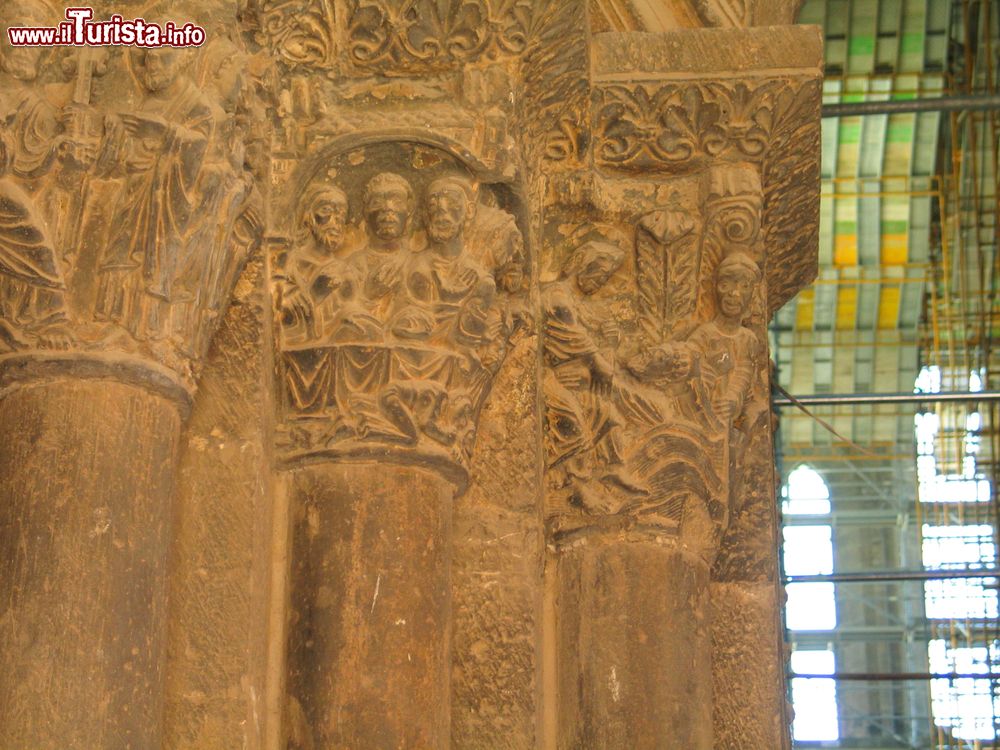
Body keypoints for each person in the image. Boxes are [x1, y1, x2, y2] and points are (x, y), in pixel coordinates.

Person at [95, 48, 213, 341]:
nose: (154, 64)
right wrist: (116, 132)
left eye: (163, 57)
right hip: (134, 188)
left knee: (151, 254)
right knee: (119, 251)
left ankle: (146, 330)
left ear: (184, 58)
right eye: (149, 57)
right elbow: (124, 155)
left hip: (165, 200)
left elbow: (201, 147)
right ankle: (114, 322)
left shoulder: (196, 104)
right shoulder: (148, 99)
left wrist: (167, 132)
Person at [542, 241, 647, 506]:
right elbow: (571, 334)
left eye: (605, 278)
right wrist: (597, 361)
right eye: (598, 274)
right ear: (581, 264)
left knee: (607, 414)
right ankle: (577, 486)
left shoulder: (584, 305)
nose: (600, 283)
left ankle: (612, 468)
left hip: (578, 382)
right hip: (549, 378)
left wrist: (609, 341)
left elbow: (597, 346)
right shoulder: (556, 295)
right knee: (571, 418)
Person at [687, 251, 762, 429]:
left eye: (744, 286)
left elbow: (744, 373)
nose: (734, 294)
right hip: (702, 414)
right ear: (715, 288)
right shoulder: (704, 334)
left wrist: (733, 398)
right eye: (725, 285)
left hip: (728, 418)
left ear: (753, 294)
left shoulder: (748, 339)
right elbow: (689, 366)